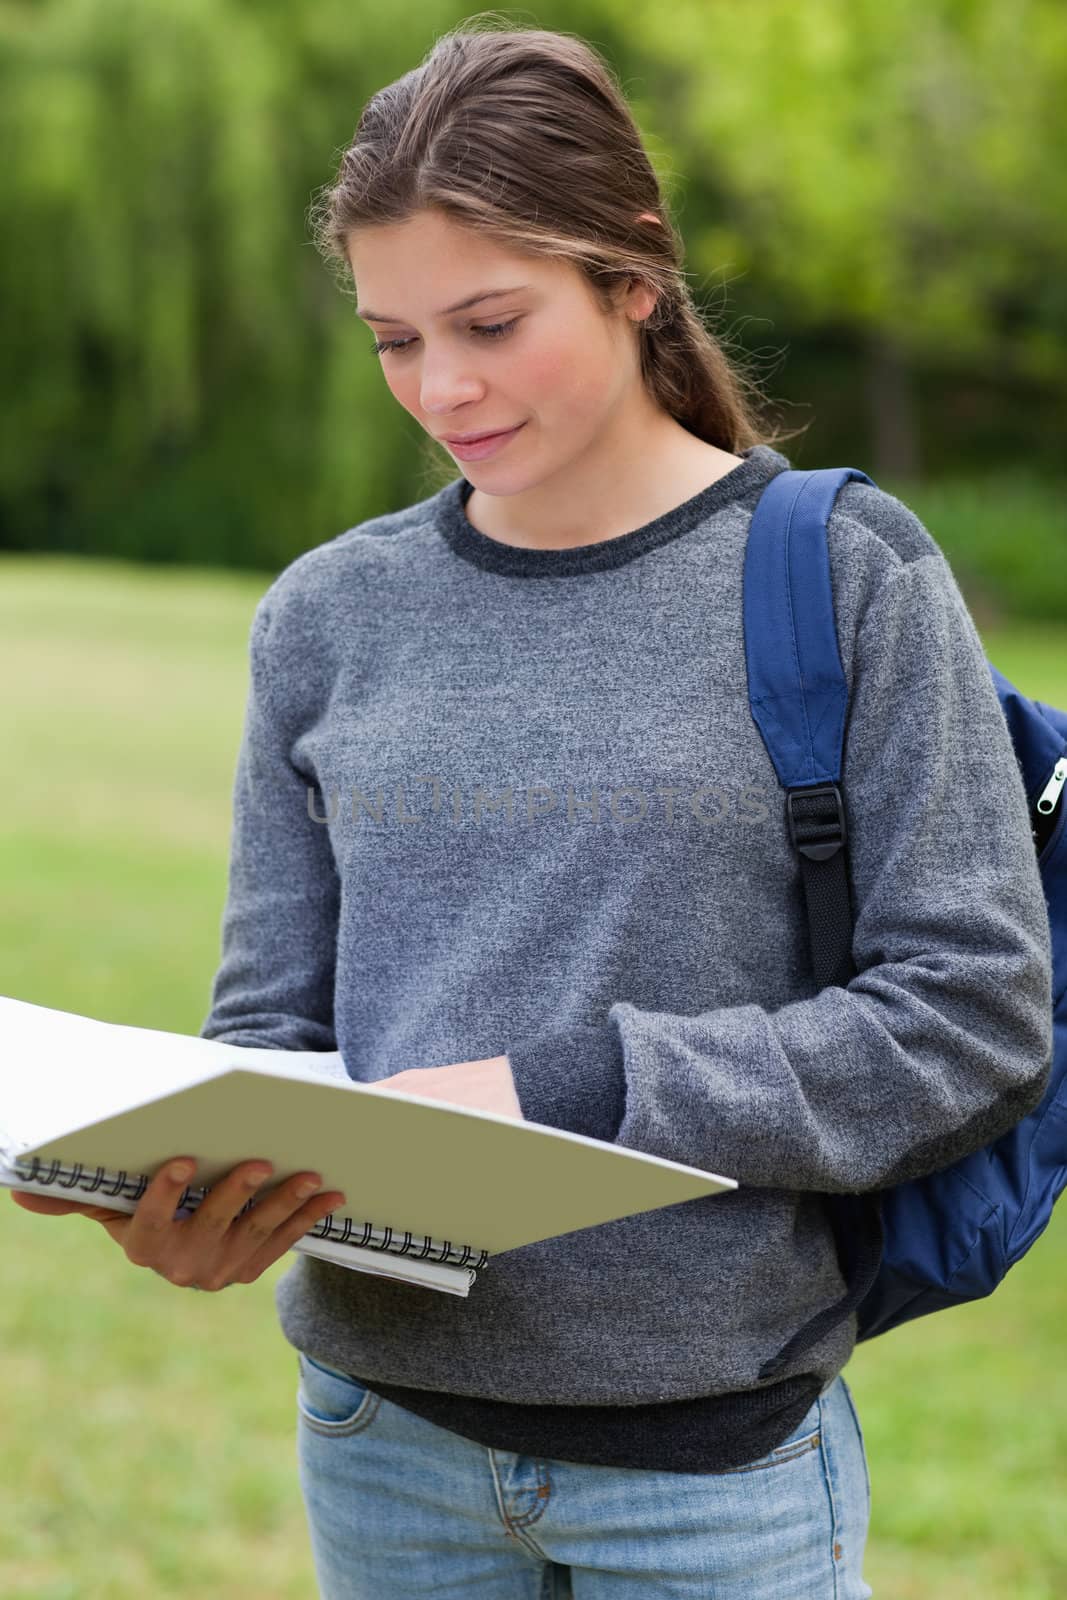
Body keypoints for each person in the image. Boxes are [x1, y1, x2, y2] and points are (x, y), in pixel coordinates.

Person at [14, 20, 1054, 1599]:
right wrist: (200, 1194)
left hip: (714, 1470)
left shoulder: (843, 576)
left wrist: (562, 1087)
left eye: (491, 322)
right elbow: (273, 1033)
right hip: (379, 1444)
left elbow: (969, 1020)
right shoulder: (326, 615)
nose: (441, 387)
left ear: (634, 274)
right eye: (393, 338)